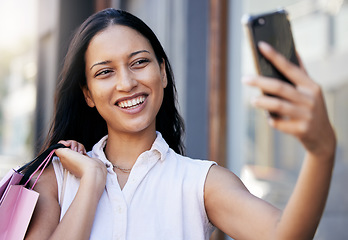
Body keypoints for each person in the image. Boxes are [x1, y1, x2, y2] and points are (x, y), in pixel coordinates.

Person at [25, 8, 336, 240]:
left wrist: (321, 151)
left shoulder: (200, 183)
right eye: (105, 72)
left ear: (162, 72)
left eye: (139, 62)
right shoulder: (58, 178)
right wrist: (91, 182)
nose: (127, 82)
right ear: (88, 94)